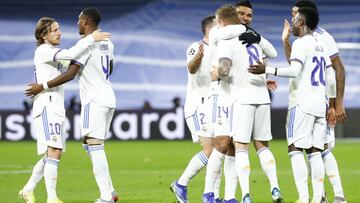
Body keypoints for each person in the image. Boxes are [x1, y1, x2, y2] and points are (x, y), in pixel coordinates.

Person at [25, 8, 117, 203]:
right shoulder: (108, 43)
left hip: (93, 100)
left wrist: (42, 85)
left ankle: (106, 196)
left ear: (85, 22)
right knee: (73, 148)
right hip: (105, 97)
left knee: (91, 146)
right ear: (44, 35)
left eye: (78, 20)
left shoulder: (85, 45)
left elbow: (70, 73)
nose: (61, 32)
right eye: (55, 30)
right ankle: (42, 193)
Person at [249, 7, 336, 203]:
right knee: (315, 151)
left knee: (295, 148)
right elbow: (330, 78)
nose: (293, 23)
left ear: (302, 22)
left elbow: (295, 71)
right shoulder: (320, 44)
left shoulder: (301, 43)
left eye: (295, 20)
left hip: (302, 103)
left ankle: (303, 198)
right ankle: (317, 199)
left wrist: (267, 69)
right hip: (319, 104)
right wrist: (331, 104)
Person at [282, 1, 347, 202]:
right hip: (306, 97)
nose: (292, 18)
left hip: (319, 101)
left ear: (304, 17)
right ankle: (321, 196)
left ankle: (338, 195)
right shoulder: (302, 39)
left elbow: (338, 69)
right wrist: (286, 43)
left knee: (321, 148)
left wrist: (337, 104)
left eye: (295, 14)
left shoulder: (323, 37)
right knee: (315, 149)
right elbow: (295, 67)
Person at [170, 15, 226, 203]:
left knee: (219, 150)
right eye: (219, 26)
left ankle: (215, 195)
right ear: (210, 30)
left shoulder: (220, 48)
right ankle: (181, 183)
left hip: (214, 104)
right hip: (197, 104)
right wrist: (197, 58)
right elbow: (191, 69)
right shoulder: (196, 47)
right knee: (211, 150)